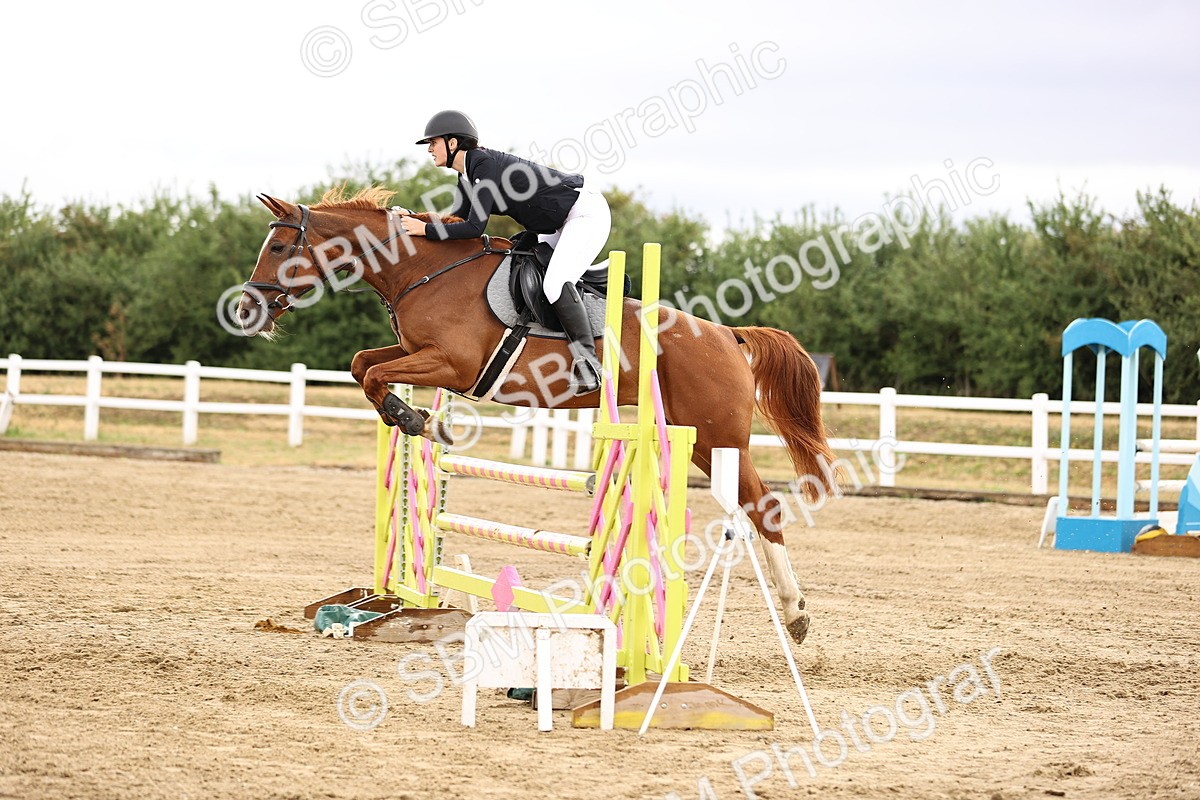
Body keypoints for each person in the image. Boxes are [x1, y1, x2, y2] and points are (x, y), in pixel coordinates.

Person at [399, 110, 611, 396]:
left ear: (452, 143)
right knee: (531, 276)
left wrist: (424, 230)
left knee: (554, 283)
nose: (429, 149)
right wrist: (416, 219)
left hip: (583, 213)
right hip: (556, 222)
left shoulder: (482, 165)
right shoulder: (467, 175)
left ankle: (589, 364)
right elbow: (455, 221)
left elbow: (474, 228)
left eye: (433, 142)